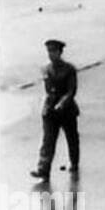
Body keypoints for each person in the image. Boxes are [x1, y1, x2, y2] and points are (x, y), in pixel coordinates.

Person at [32, 39, 80, 179]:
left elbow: (71, 91)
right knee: (48, 141)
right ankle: (43, 170)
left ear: (60, 52)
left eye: (54, 51)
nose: (51, 54)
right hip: (51, 111)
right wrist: (48, 107)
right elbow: (48, 91)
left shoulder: (69, 69)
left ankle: (74, 162)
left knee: (72, 138)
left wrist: (62, 103)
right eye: (49, 51)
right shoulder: (46, 69)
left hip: (67, 110)